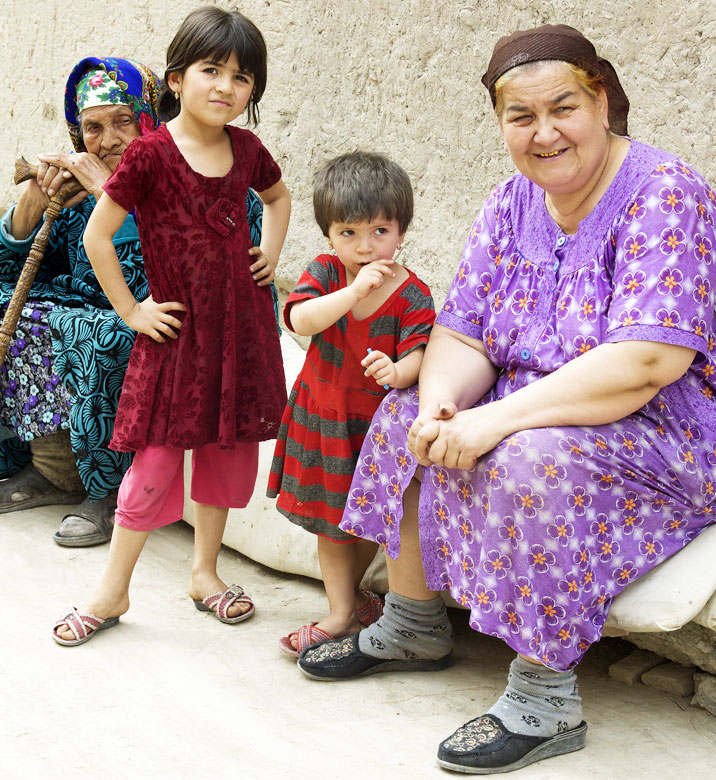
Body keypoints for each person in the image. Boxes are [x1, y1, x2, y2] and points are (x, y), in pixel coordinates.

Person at [297, 24, 716, 774]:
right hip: (530, 404)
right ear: (500, 125)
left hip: (658, 430)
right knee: (404, 419)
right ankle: (414, 622)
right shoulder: (508, 203)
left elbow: (649, 359)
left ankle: (545, 699)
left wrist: (496, 421)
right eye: (521, 117)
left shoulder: (664, 193)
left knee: (530, 458)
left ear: (603, 102)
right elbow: (463, 334)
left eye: (564, 108)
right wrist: (443, 407)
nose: (545, 132)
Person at [53, 5, 290, 645]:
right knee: (153, 466)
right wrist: (132, 311)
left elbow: (277, 196)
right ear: (176, 80)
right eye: (211, 70)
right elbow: (100, 236)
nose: (225, 87)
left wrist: (270, 253)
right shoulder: (152, 155)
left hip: (238, 335)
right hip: (176, 340)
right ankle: (112, 591)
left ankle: (204, 574)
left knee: (221, 452)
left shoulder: (247, 149)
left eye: (242, 78)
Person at [0, 56, 270, 548]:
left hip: (184, 319)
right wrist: (32, 204)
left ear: (149, 116)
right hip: (97, 308)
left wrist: (112, 194)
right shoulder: (77, 189)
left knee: (103, 333)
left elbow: (181, 268)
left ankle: (106, 493)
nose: (107, 141)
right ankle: (51, 468)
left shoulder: (209, 177)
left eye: (123, 122)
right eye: (92, 128)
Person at [268, 152, 436, 656]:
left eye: (379, 232)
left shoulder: (413, 296)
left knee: (371, 519)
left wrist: (397, 371)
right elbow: (299, 320)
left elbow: (419, 357)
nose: (365, 247)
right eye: (348, 234)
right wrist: (353, 291)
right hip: (322, 418)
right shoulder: (325, 272)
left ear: (401, 232)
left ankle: (368, 600)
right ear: (328, 237)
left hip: (374, 429)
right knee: (331, 522)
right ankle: (341, 610)